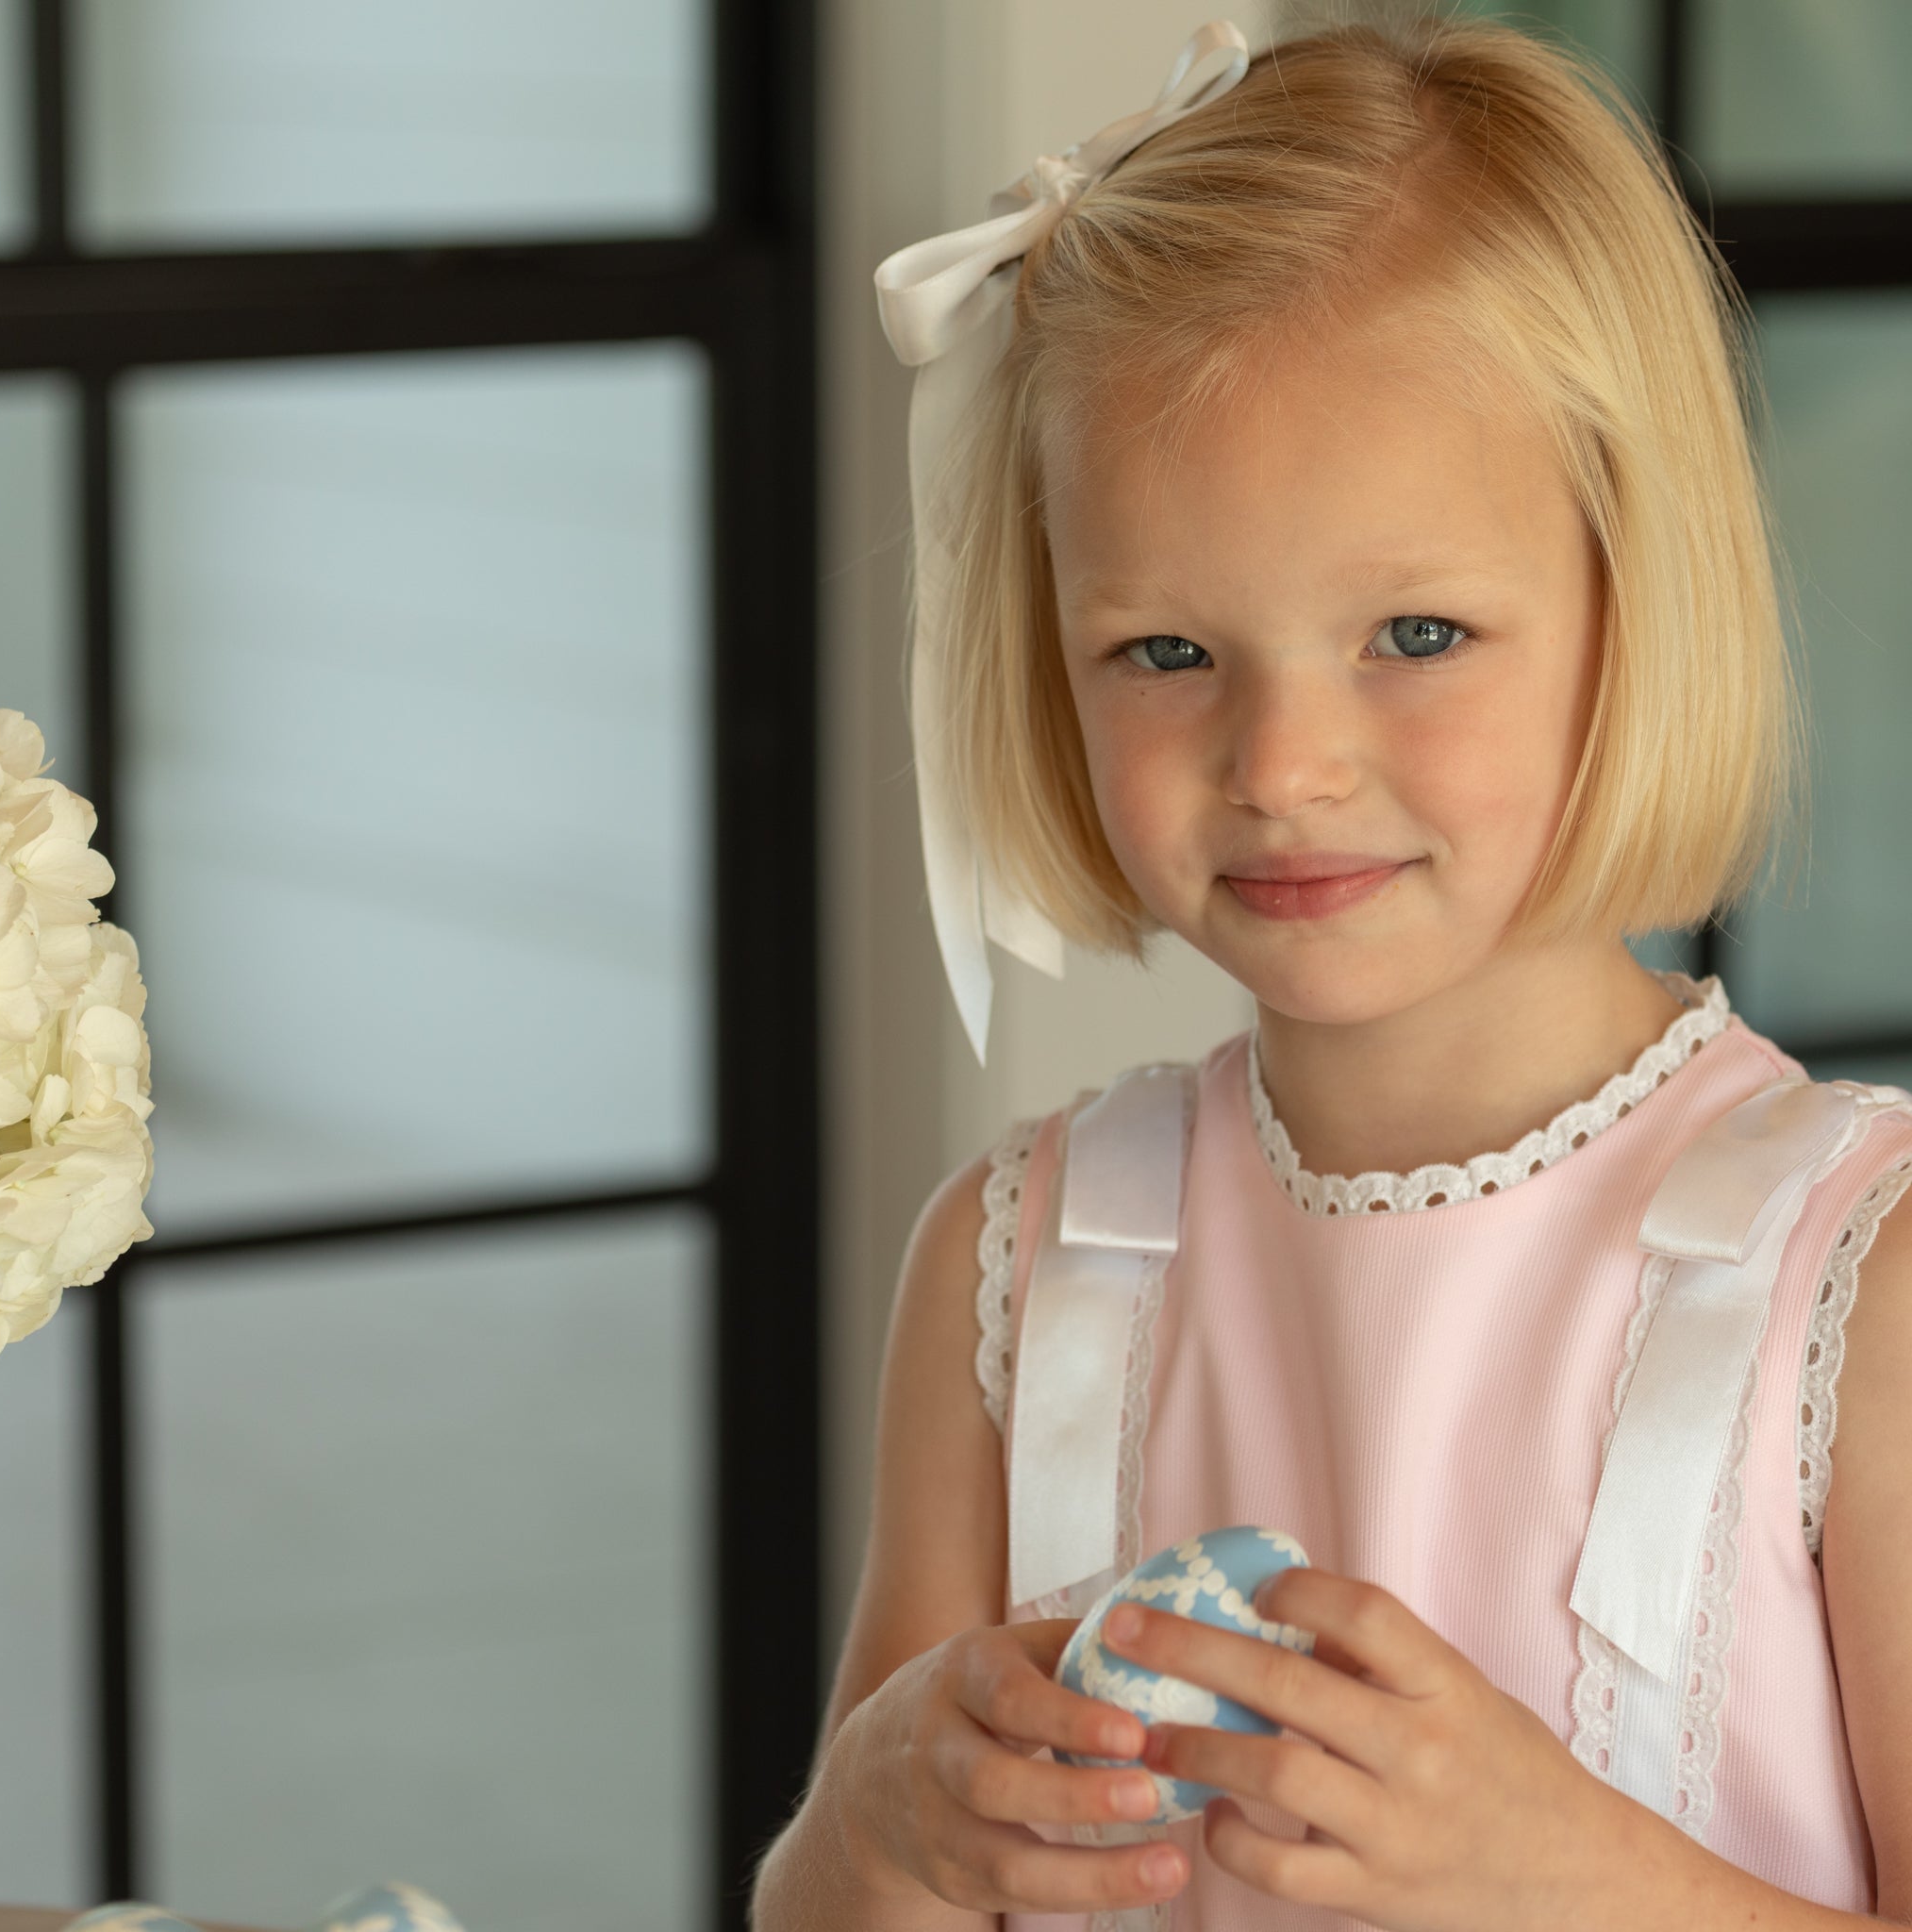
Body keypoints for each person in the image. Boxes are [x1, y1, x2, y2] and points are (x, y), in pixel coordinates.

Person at [751, 10, 1912, 1929]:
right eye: (1164, 651)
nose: (1282, 766)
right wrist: (871, 1822)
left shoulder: (1852, 1298)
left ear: (1640, 600)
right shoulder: (1012, 1263)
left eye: (1417, 629)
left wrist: (1559, 1871)